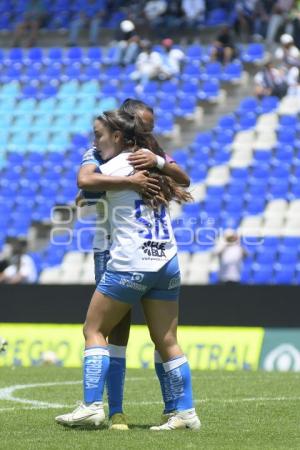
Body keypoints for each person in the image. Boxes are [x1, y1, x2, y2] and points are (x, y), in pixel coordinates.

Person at [56, 110, 200, 431]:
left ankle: (93, 406)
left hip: (131, 263)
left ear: (118, 137)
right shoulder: (154, 164)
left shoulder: (113, 166)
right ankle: (185, 412)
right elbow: (184, 178)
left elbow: (85, 182)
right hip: (168, 260)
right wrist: (158, 163)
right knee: (167, 339)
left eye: (99, 136)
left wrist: (97, 188)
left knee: (94, 330)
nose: (95, 141)